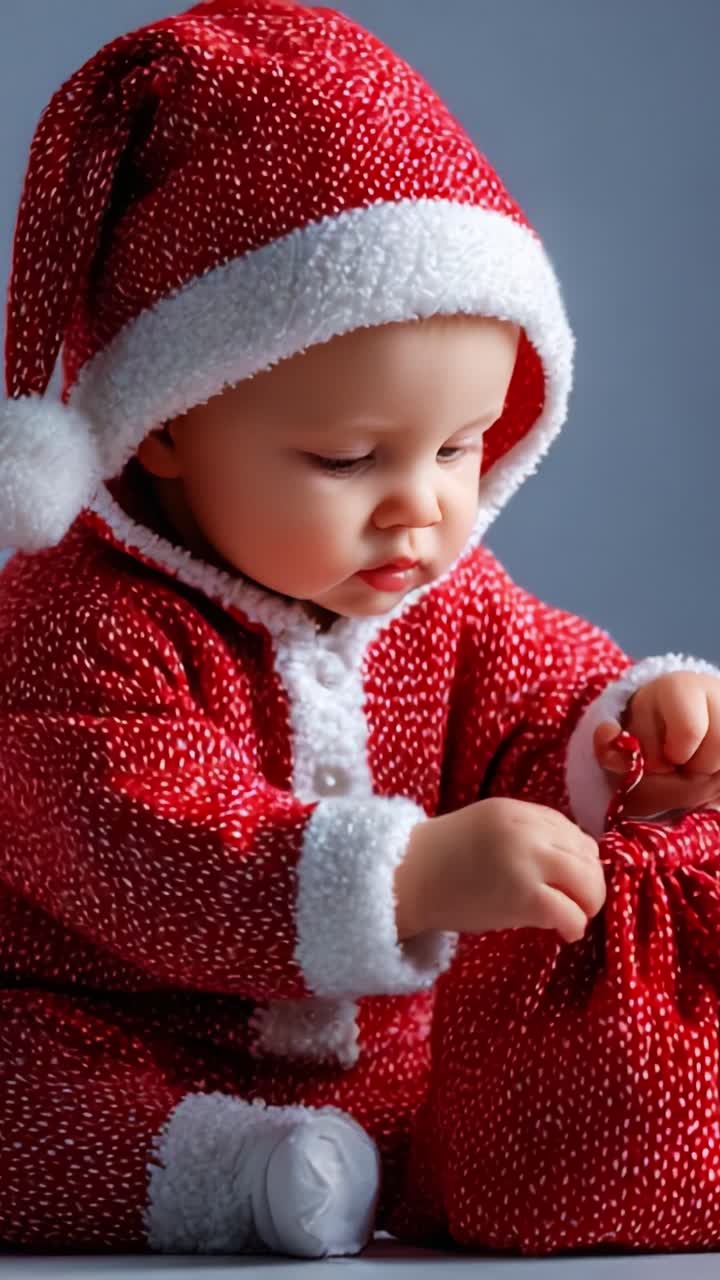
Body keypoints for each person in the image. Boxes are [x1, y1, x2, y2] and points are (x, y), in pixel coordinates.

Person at [0, 0, 718, 1258]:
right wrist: (404, 875)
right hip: (118, 1035)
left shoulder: (449, 604)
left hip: (394, 1071)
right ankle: (230, 1176)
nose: (425, 508)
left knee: (518, 1065)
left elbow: (536, 708)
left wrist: (636, 739)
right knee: (24, 1094)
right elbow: (144, 835)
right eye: (346, 457)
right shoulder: (78, 624)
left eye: (458, 447)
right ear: (166, 421)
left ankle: (368, 1161)